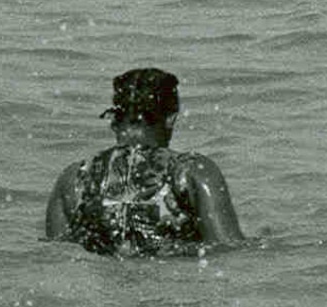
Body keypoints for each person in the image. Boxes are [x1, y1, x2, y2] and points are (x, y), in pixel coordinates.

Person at [44, 67, 242, 255]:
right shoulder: (191, 171)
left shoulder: (74, 179)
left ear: (114, 120)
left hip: (104, 288)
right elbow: (228, 251)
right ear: (170, 119)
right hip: (171, 284)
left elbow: (56, 256)